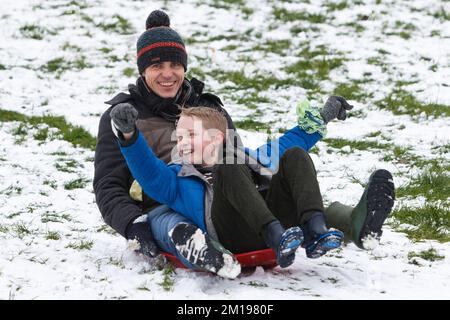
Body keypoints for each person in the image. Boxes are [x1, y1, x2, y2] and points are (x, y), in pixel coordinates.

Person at [93, 9, 395, 265]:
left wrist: (317, 123)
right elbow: (109, 184)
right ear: (143, 70)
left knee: (289, 181)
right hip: (165, 203)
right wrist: (132, 223)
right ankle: (208, 251)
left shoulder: (208, 106)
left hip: (223, 198)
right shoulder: (122, 115)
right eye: (157, 66)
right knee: (173, 222)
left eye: (175, 65)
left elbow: (243, 160)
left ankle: (353, 225)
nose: (168, 74)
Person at [110, 104, 346, 278]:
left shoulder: (249, 157)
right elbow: (148, 172)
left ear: (217, 138)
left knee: (295, 154)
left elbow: (288, 142)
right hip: (231, 235)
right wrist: (129, 135)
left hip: (276, 225)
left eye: (190, 135)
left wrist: (326, 115)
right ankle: (274, 234)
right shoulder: (177, 179)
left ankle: (316, 230)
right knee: (228, 165)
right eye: (179, 137)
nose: (182, 143)